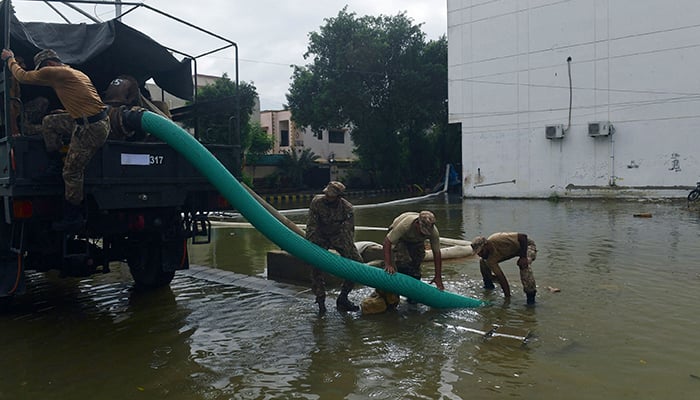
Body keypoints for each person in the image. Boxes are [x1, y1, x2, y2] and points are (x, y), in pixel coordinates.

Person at [1, 48, 110, 232]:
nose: (42, 74)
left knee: (71, 173)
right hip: (88, 119)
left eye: (41, 69)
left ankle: (73, 216)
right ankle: (54, 164)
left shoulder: (54, 72)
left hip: (90, 128)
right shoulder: (75, 72)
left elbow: (23, 77)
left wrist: (10, 59)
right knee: (50, 122)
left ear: (48, 64)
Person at [305, 181, 363, 314]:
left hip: (339, 235)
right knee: (316, 267)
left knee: (357, 264)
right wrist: (310, 246)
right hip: (320, 235)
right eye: (327, 194)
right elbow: (311, 225)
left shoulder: (347, 208)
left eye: (331, 196)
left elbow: (348, 232)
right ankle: (321, 302)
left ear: (339, 197)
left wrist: (347, 252)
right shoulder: (317, 202)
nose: (327, 197)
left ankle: (343, 298)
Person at [382, 211, 444, 303]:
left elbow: (437, 254)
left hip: (416, 241)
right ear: (417, 224)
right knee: (403, 263)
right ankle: (396, 291)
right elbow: (387, 242)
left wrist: (438, 277)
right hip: (401, 238)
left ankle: (412, 296)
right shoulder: (405, 225)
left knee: (415, 268)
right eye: (423, 232)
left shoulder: (433, 232)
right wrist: (388, 264)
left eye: (426, 234)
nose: (424, 234)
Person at [470, 233, 538, 305]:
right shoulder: (489, 259)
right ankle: (488, 286)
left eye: (481, 252)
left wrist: (523, 257)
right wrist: (507, 299)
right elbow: (502, 278)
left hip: (526, 246)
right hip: (509, 251)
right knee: (483, 262)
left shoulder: (498, 238)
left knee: (523, 265)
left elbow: (523, 237)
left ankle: (531, 298)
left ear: (486, 245)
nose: (481, 255)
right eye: (478, 254)